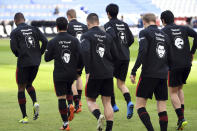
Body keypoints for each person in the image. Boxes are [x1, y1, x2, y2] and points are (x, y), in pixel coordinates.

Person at [130, 13, 171, 131]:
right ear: (156, 20)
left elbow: (142, 51)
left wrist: (134, 70)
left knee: (140, 106)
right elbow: (169, 57)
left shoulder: (145, 32)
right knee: (162, 105)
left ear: (144, 22)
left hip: (148, 73)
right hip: (163, 74)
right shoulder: (165, 35)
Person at [81, 13, 118, 131]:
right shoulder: (107, 36)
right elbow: (116, 55)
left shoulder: (86, 36)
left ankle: (99, 116)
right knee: (107, 102)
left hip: (94, 73)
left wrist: (87, 71)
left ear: (88, 24)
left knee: (90, 100)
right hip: (108, 73)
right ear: (98, 22)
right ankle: (109, 129)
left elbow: (85, 53)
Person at [160, 10, 197, 130]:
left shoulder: (164, 31)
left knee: (173, 92)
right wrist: (192, 52)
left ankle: (181, 118)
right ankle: (181, 118)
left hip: (174, 66)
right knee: (180, 89)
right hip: (187, 64)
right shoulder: (184, 28)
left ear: (163, 20)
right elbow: (196, 35)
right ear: (173, 18)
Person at [10, 12, 48, 123]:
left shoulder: (15, 32)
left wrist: (19, 54)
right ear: (24, 19)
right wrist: (39, 54)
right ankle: (35, 102)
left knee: (21, 87)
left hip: (23, 62)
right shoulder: (34, 29)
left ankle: (25, 117)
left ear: (15, 21)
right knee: (29, 84)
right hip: (36, 62)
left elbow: (13, 48)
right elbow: (45, 41)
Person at [45, 17, 81, 130]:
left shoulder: (53, 41)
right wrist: (78, 69)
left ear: (56, 27)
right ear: (67, 27)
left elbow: (46, 58)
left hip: (59, 73)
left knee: (61, 98)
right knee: (69, 88)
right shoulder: (75, 40)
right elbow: (81, 56)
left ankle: (66, 124)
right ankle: (70, 104)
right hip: (72, 73)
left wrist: (56, 53)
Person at [104, 3, 134, 118]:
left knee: (109, 80)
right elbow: (131, 39)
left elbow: (110, 37)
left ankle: (114, 105)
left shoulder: (108, 25)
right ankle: (129, 102)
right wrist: (124, 48)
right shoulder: (124, 24)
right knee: (121, 84)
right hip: (125, 57)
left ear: (108, 14)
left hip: (113, 58)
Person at [66, 9, 88, 112]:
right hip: (83, 54)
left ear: (68, 16)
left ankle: (76, 104)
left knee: (71, 80)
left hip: (73, 55)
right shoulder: (84, 26)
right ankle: (79, 101)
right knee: (78, 76)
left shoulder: (68, 26)